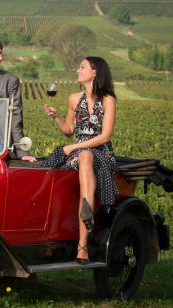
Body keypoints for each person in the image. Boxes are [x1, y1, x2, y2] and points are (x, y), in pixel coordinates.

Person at [43, 56, 118, 264]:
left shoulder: (108, 99)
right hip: (79, 154)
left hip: (101, 153)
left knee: (85, 154)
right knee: (82, 156)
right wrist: (56, 117)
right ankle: (87, 212)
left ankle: (82, 243)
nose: (78, 70)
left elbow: (105, 136)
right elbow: (69, 131)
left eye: (82, 67)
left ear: (95, 72)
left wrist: (73, 147)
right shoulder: (74, 99)